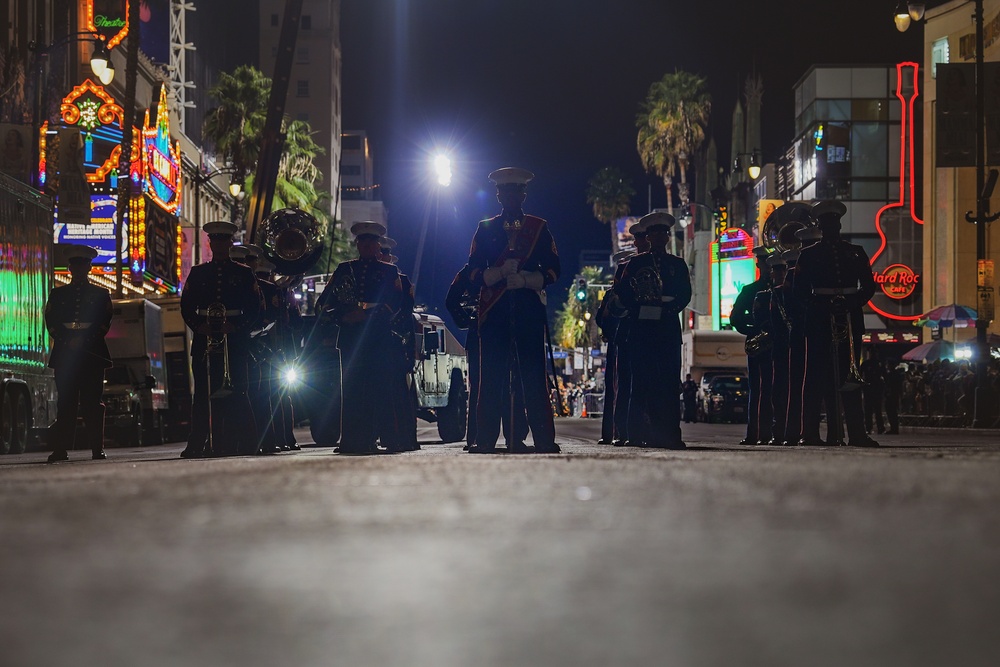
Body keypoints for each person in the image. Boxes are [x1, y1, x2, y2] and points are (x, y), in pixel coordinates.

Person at [466, 167, 560, 453]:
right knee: (491, 377)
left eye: (516, 191)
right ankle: (485, 440)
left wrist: (530, 280)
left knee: (532, 376)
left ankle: (542, 439)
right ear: (498, 195)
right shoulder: (485, 228)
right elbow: (471, 271)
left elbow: (555, 269)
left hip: (528, 310)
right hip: (494, 313)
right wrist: (493, 274)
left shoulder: (538, 227)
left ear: (523, 194)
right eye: (505, 192)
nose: (510, 196)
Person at [794, 200, 878, 447]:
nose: (831, 227)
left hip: (849, 317)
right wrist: (822, 305)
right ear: (820, 226)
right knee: (815, 378)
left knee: (851, 377)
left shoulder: (855, 251)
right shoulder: (808, 255)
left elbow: (869, 286)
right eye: (826, 223)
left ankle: (857, 433)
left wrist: (852, 303)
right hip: (820, 318)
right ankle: (809, 433)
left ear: (839, 224)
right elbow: (800, 291)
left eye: (834, 223)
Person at [179, 221, 263, 458]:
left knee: (238, 391)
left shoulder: (243, 273)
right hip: (205, 338)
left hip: (234, 340)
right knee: (203, 395)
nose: (219, 244)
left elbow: (255, 308)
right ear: (210, 243)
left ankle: (243, 442)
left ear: (229, 243)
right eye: (215, 240)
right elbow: (186, 306)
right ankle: (198, 443)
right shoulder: (198, 272)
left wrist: (236, 327)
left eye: (223, 240)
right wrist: (199, 326)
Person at [317, 221, 402, 454]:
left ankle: (386, 439)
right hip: (350, 337)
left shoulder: (389, 271)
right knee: (351, 390)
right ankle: (351, 440)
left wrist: (364, 315)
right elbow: (324, 304)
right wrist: (343, 317)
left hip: (377, 337)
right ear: (357, 244)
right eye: (362, 241)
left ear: (377, 245)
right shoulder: (344, 270)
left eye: (370, 242)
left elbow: (395, 304)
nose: (366, 245)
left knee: (380, 388)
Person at [616, 211, 692, 449]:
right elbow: (622, 292)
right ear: (648, 237)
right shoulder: (636, 263)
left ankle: (670, 435)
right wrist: (638, 308)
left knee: (669, 383)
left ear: (667, 237)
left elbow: (685, 293)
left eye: (663, 233)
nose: (660, 237)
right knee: (641, 382)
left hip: (668, 326)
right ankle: (637, 434)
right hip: (643, 328)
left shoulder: (677, 264)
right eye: (655, 233)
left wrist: (669, 309)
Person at [44, 244, 113, 463]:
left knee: (93, 403)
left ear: (89, 268)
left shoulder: (101, 294)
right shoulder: (58, 294)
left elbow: (104, 322)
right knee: (65, 404)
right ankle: (61, 449)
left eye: (83, 265)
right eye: (75, 265)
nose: (79, 269)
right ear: (70, 268)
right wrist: (67, 340)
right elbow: (51, 322)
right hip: (66, 355)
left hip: (91, 355)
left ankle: (96, 449)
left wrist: (82, 339)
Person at [379, 237, 419, 452]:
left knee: (400, 395)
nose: (381, 257)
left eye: (384, 254)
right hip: (378, 344)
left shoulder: (402, 281)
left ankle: (406, 439)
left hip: (397, 344)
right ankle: (387, 437)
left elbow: (405, 312)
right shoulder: (374, 279)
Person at [731, 245, 773, 445]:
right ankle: (756, 433)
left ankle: (778, 432)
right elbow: (735, 318)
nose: (769, 269)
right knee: (758, 389)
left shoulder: (787, 288)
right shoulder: (750, 291)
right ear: (759, 265)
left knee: (780, 388)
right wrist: (755, 330)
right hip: (760, 344)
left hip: (782, 343)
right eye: (765, 264)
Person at [596, 248, 635, 441]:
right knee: (615, 388)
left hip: (633, 340)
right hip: (617, 343)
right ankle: (614, 432)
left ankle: (632, 431)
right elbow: (600, 318)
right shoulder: (611, 294)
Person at [764, 254, 790, 443]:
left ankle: (793, 429)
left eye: (783, 270)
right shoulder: (766, 294)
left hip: (794, 345)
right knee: (778, 391)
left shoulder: (795, 291)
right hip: (779, 347)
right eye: (777, 270)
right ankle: (778, 430)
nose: (780, 273)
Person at [861, 351, 886, 435]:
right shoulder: (866, 364)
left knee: (877, 410)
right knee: (869, 410)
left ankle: (879, 427)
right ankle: (869, 427)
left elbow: (884, 375)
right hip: (869, 388)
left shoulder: (879, 364)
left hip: (876, 388)